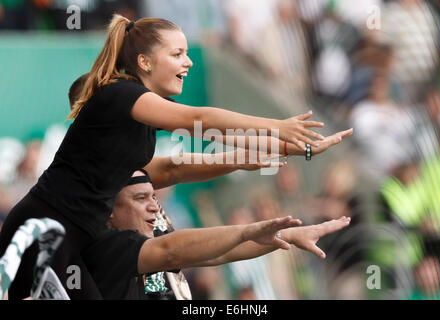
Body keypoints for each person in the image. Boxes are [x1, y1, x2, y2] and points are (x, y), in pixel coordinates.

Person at [0, 14, 351, 300]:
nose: (189, 61)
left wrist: (294, 147)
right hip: (42, 231)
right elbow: (199, 121)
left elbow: (172, 168)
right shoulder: (121, 94)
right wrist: (276, 128)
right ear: (144, 62)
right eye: (178, 53)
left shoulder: (142, 116)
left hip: (76, 239)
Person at [82, 169, 351, 299]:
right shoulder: (109, 247)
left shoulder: (151, 236)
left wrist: (287, 237)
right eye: (141, 199)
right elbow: (171, 250)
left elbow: (216, 254)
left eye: (154, 197)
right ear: (110, 213)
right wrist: (247, 229)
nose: (154, 206)